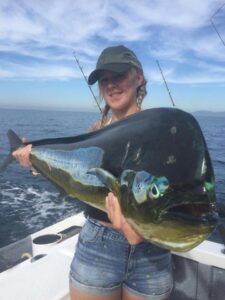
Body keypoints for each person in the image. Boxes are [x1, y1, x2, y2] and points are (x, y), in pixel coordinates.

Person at [12, 45, 173, 300]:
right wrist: (36, 161)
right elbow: (78, 182)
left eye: (118, 76)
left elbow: (168, 193)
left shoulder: (159, 129)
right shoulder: (94, 131)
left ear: (138, 78)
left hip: (150, 252)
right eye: (104, 80)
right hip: (99, 244)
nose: (111, 85)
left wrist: (134, 230)